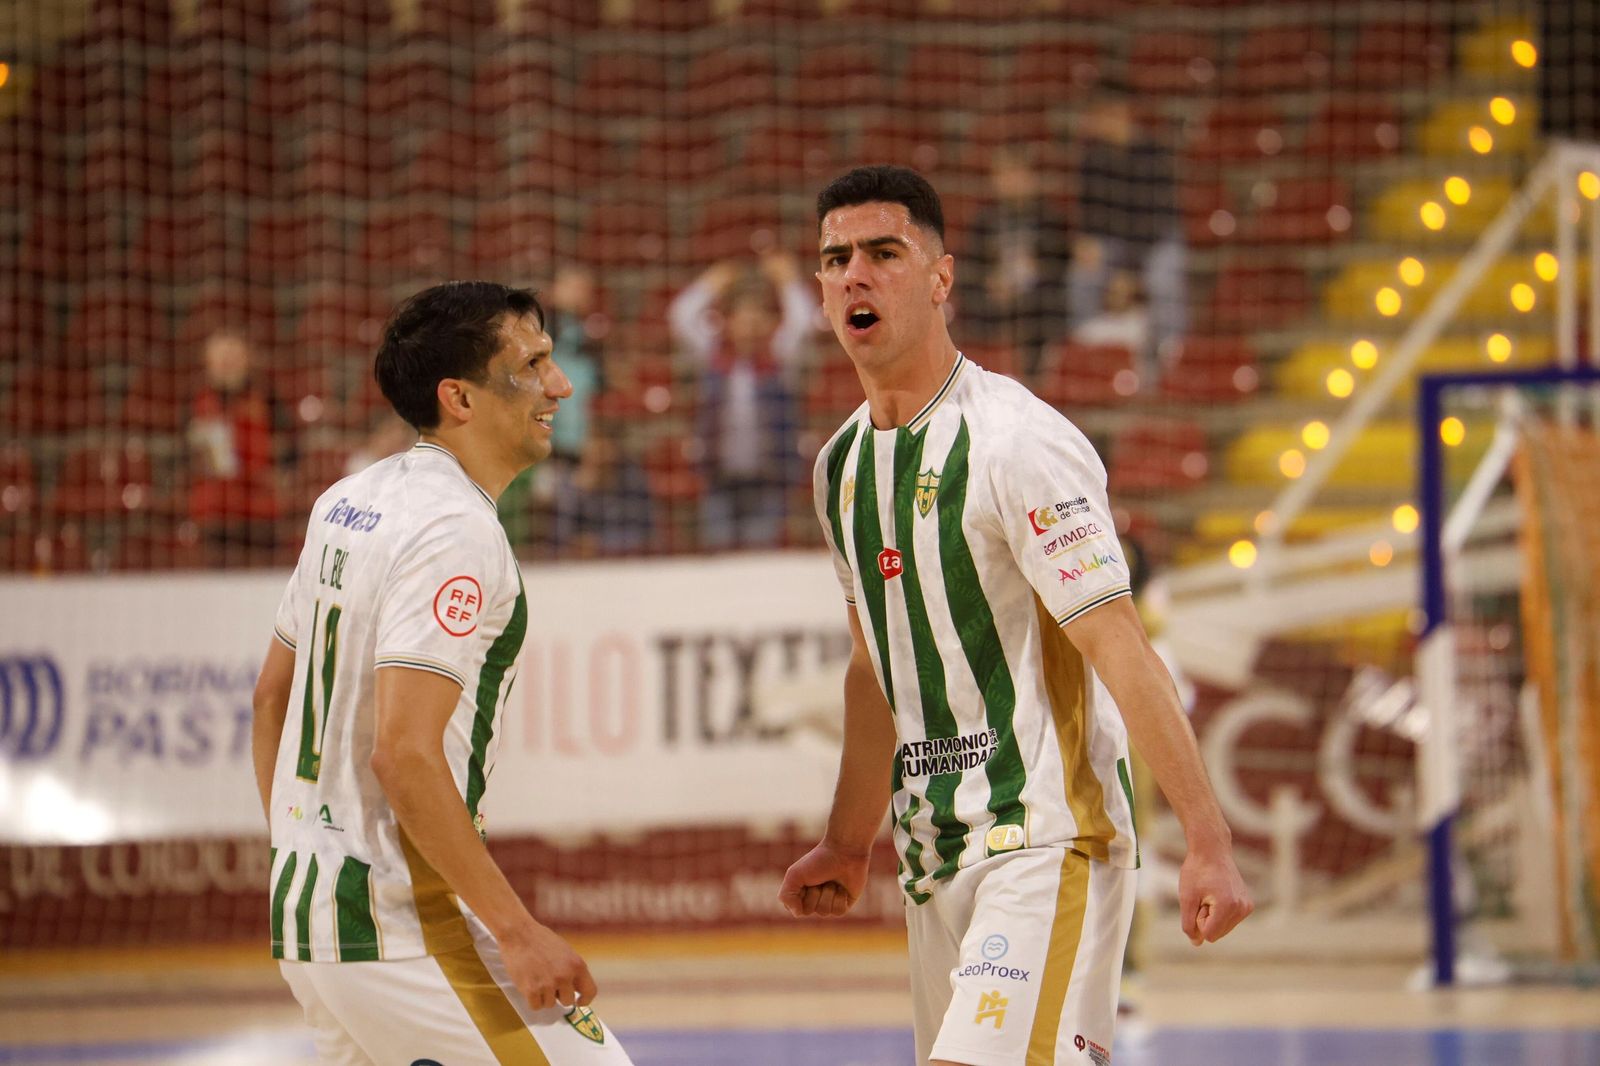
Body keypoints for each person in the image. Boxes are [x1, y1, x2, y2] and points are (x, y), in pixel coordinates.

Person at [780, 166, 1250, 1066]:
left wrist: (1208, 838)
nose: (855, 276)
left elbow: (1118, 641)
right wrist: (847, 842)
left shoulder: (1017, 440)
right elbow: (874, 666)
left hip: (1047, 840)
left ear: (941, 277)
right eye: (836, 259)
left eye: (885, 253)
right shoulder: (838, 469)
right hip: (933, 859)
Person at [250, 281, 636, 1065]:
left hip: (309, 924)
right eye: (532, 366)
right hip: (403, 926)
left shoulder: (346, 501)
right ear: (459, 398)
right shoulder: (457, 531)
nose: (559, 387)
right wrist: (518, 931)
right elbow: (404, 752)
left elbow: (271, 699)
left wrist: (307, 860)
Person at [668, 253, 811, 550]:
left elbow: (802, 322)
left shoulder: (778, 357)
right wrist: (712, 282)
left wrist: (787, 282)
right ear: (729, 321)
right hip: (719, 480)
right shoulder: (713, 355)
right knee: (719, 559)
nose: (750, 324)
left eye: (757, 317)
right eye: (743, 317)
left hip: (768, 481)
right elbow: (681, 317)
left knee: (761, 563)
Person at [1067, 92, 1185, 377]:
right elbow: (1089, 213)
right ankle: (1089, 356)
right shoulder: (1094, 158)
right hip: (1112, 242)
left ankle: (1171, 360)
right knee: (1081, 277)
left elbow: (1155, 221)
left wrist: (1128, 272)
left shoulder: (1153, 155)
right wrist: (1086, 242)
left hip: (1156, 242)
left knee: (1163, 278)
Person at [955, 144, 1072, 382]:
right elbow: (971, 264)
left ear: (1030, 177)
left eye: (1016, 174)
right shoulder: (985, 220)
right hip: (994, 299)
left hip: (1035, 299)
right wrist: (990, 281)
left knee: (1043, 306)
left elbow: (1060, 264)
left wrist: (1033, 273)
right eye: (1003, 175)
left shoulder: (1049, 217)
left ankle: (1034, 377)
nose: (1009, 181)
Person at [186, 328, 289, 565]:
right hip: (213, 516)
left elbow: (289, 450)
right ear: (208, 362)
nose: (227, 364)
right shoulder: (196, 403)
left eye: (233, 357)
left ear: (246, 359)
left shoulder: (267, 399)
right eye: (221, 358)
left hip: (259, 515)